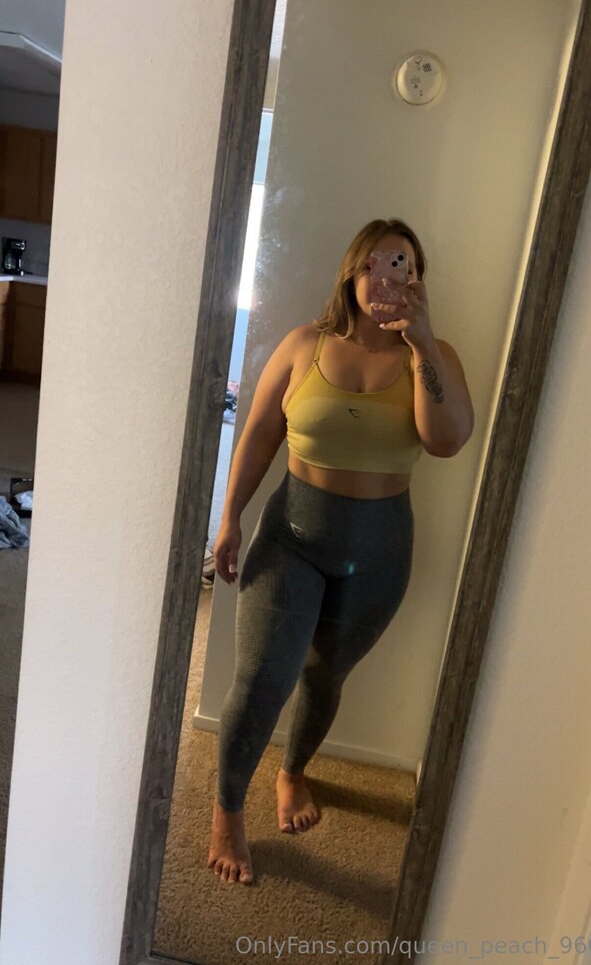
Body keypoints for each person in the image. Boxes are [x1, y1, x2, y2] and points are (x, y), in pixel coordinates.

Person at [207, 217, 474, 885]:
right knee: (262, 678)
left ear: (418, 280)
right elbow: (259, 434)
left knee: (326, 676)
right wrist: (230, 518)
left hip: (380, 552)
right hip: (292, 538)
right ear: (353, 273)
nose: (388, 277)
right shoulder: (304, 345)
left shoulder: (434, 355)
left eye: (403, 265)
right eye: (376, 263)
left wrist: (421, 344)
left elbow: (446, 441)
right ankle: (227, 809)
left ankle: (292, 773)